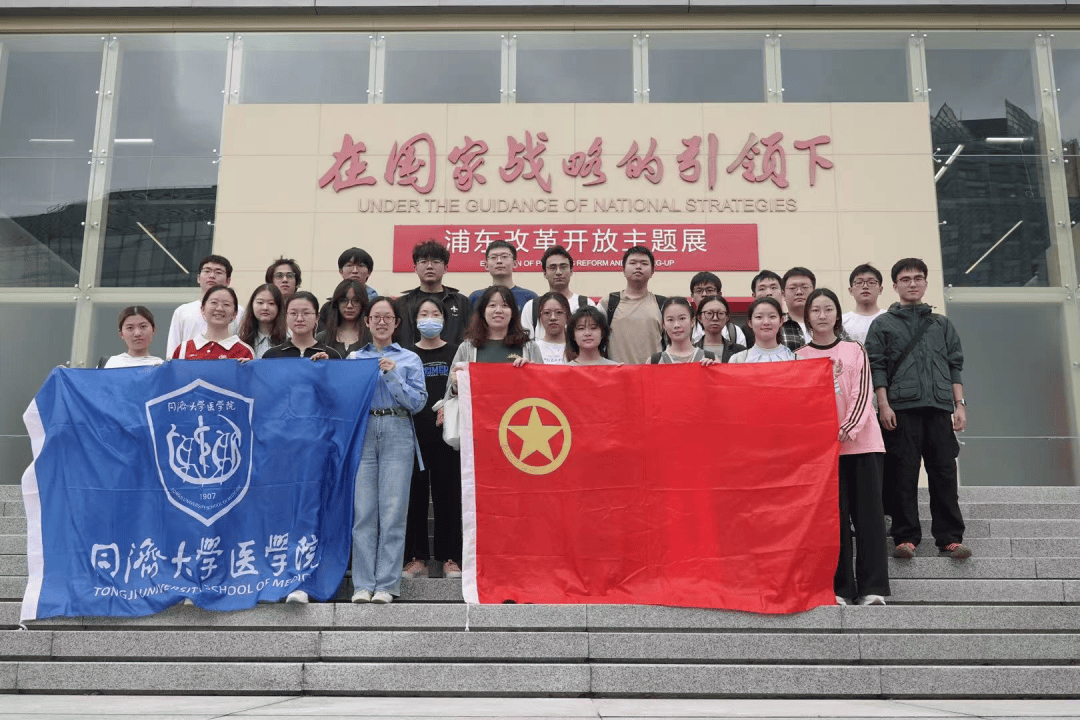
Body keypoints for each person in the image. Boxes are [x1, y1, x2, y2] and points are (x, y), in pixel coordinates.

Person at [865, 258, 970, 560]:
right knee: (903, 474)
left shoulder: (941, 324)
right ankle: (905, 537)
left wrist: (959, 405)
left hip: (939, 407)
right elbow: (877, 367)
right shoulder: (882, 324)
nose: (912, 284)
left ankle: (949, 538)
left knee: (944, 473)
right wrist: (883, 405)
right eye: (905, 279)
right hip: (901, 410)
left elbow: (954, 365)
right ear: (894, 286)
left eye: (918, 278)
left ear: (925, 283)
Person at [796, 288, 890, 606]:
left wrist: (846, 429)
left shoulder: (854, 349)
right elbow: (801, 404)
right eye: (815, 310)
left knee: (869, 519)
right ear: (807, 317)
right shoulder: (799, 357)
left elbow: (863, 394)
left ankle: (873, 588)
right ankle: (841, 589)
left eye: (828, 309)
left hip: (862, 446)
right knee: (833, 521)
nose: (822, 315)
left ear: (837, 314)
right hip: (825, 454)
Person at [347, 297, 428, 604]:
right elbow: (345, 397)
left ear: (397, 323)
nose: (381, 322)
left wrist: (393, 375)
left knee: (393, 511)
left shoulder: (409, 358)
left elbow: (417, 403)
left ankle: (386, 585)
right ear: (367, 321)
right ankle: (362, 584)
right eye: (376, 317)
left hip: (398, 428)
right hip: (364, 431)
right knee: (364, 512)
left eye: (387, 317)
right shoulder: (355, 358)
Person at [402, 298, 463, 581]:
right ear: (415, 321)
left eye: (435, 313)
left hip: (448, 435)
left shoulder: (455, 352)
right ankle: (417, 559)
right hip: (413, 435)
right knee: (414, 497)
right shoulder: (406, 354)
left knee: (448, 496)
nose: (429, 318)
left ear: (444, 319)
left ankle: (450, 557)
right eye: (424, 314)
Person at [447, 285, 543, 397]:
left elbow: (543, 390)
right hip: (479, 408)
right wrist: (456, 385)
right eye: (492, 305)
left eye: (505, 305)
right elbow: (449, 395)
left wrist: (532, 373)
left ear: (513, 313)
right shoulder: (467, 348)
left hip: (518, 408)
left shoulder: (530, 347)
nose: (498, 311)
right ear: (483, 311)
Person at [396, 239, 472, 348]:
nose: (429, 266)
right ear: (415, 268)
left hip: (453, 358)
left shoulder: (461, 302)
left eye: (436, 261)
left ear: (445, 268)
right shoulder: (402, 303)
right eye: (423, 261)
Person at [601, 245, 667, 365]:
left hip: (653, 373)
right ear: (623, 270)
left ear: (652, 271)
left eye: (644, 263)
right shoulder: (608, 303)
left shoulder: (662, 305)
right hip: (618, 373)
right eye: (633, 263)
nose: (638, 267)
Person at [166, 255, 243, 358]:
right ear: (198, 278)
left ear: (228, 281)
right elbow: (173, 349)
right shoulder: (182, 311)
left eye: (218, 272)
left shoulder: (238, 311)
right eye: (207, 271)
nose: (212, 276)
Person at [520, 245, 596, 338]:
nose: (558, 272)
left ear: (571, 271)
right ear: (545, 273)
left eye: (563, 267)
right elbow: (526, 344)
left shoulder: (586, 304)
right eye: (553, 267)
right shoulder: (532, 307)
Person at [171, 286, 254, 360]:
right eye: (214, 302)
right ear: (202, 309)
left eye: (226, 304)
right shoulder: (183, 350)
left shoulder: (244, 352)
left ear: (235, 313)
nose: (219, 308)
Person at [264, 292, 342, 360]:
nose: (299, 319)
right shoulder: (271, 356)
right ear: (286, 316)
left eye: (306, 313)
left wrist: (326, 366)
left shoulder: (331, 356)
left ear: (317, 317)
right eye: (293, 313)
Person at [467, 240, 538, 311]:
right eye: (493, 257)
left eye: (504, 256)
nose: (499, 261)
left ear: (514, 264)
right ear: (486, 265)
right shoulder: (476, 297)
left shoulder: (529, 297)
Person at [318, 247, 378, 329]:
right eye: (349, 265)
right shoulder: (329, 308)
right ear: (341, 271)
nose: (355, 271)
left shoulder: (377, 305)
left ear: (369, 272)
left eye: (360, 265)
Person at [728, 297, 798, 364]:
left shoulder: (796, 360)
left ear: (781, 321)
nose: (766, 322)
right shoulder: (737, 360)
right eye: (759, 317)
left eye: (772, 316)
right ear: (750, 323)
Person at [649, 297, 717, 365]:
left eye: (682, 318)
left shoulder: (710, 358)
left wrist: (713, 368)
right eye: (670, 320)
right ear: (663, 324)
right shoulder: (654, 362)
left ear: (692, 321)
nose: (676, 325)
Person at [689, 272, 747, 347]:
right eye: (699, 290)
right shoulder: (686, 331)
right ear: (692, 296)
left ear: (719, 294)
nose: (704, 294)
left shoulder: (734, 332)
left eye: (709, 290)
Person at [316, 280, 369, 360]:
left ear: (362, 304)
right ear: (337, 303)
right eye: (344, 300)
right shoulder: (322, 339)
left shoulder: (372, 339)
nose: (349, 306)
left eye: (356, 301)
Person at [238, 284, 287, 359]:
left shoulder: (288, 340)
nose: (265, 308)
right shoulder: (241, 341)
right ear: (252, 305)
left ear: (279, 307)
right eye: (260, 302)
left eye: (271, 303)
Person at [843, 263, 887, 345]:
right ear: (851, 290)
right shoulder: (842, 322)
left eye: (871, 282)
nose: (865, 286)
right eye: (859, 282)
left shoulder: (890, 319)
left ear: (880, 289)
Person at [693, 295, 746, 363]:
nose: (715, 318)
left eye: (720, 313)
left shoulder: (740, 351)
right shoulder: (691, 351)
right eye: (709, 313)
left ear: (727, 317)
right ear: (699, 317)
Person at [778, 266, 815, 351]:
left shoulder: (830, 324)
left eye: (804, 287)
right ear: (783, 294)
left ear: (814, 291)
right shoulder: (776, 326)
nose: (799, 292)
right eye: (792, 288)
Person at [532, 291, 571, 365]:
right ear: (540, 318)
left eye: (559, 312)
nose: (553, 318)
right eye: (547, 313)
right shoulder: (532, 349)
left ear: (567, 316)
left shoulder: (579, 349)